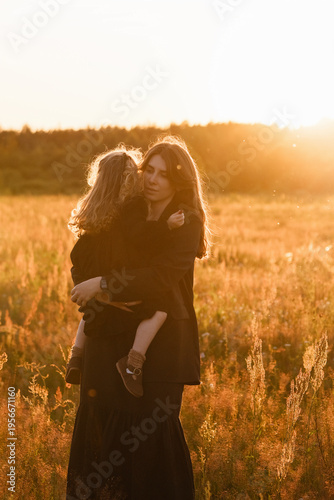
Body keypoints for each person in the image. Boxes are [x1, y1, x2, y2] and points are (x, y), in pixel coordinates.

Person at [67, 136, 210, 500]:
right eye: (149, 170)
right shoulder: (127, 209)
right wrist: (98, 288)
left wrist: (102, 285)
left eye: (163, 175)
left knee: (148, 434)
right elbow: (87, 256)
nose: (152, 180)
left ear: (179, 183)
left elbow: (160, 278)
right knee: (100, 424)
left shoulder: (185, 221)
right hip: (109, 335)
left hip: (159, 345)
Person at [66, 147, 185, 398]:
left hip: (99, 314)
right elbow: (143, 247)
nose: (149, 180)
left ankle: (76, 355)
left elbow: (77, 260)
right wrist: (166, 227)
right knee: (161, 306)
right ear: (130, 181)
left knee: (88, 314)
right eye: (144, 173)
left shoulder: (94, 214)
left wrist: (93, 289)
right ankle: (134, 361)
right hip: (122, 310)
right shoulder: (129, 217)